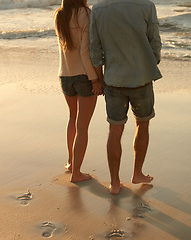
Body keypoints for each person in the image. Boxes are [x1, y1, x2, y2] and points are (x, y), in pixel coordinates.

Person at [89, 0, 162, 194]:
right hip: (142, 78)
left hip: (113, 79)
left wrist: (100, 77)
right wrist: (150, 63)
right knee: (143, 123)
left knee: (115, 129)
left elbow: (94, 49)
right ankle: (137, 173)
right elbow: (155, 41)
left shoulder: (98, 9)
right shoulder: (146, 6)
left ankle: (114, 183)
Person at [54, 0, 103, 183]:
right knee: (83, 127)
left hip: (64, 75)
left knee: (72, 118)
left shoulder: (59, 14)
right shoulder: (86, 13)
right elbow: (85, 51)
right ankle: (76, 173)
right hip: (84, 76)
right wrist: (95, 79)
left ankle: (70, 162)